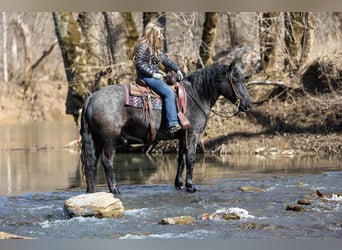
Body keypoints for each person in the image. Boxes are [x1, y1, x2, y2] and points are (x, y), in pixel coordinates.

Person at [133, 22, 183, 134]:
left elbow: (165, 60)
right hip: (146, 78)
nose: (161, 37)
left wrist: (177, 68)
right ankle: (172, 123)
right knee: (169, 93)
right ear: (153, 33)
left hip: (153, 77)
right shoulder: (143, 46)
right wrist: (152, 74)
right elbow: (139, 63)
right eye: (159, 34)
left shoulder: (155, 48)